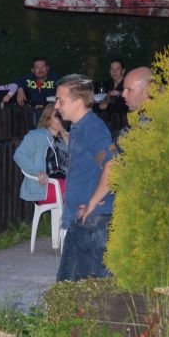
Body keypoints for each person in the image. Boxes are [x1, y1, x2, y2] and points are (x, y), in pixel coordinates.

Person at [54, 74, 117, 282]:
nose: (57, 106)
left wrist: (93, 202)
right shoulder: (79, 127)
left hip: (93, 221)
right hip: (79, 219)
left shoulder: (92, 128)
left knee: (94, 290)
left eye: (61, 100)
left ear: (78, 102)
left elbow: (113, 164)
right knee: (66, 286)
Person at [13, 104, 68, 205]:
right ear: (48, 119)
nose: (61, 119)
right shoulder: (36, 135)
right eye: (57, 116)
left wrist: (68, 142)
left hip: (65, 183)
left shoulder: (64, 140)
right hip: (45, 186)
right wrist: (38, 173)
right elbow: (19, 155)